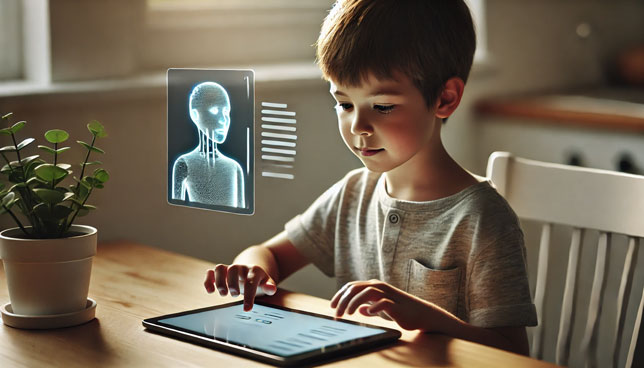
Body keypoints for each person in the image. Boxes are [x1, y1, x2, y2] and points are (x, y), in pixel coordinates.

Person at [203, 0, 537, 355]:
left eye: (382, 106)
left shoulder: (483, 219)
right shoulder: (352, 193)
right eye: (344, 104)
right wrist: (250, 271)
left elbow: (512, 352)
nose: (358, 127)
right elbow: (268, 253)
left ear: (445, 98)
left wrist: (425, 318)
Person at [172, 81, 245, 208]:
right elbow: (176, 213)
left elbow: (242, 218)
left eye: (227, 112)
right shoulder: (184, 164)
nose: (223, 119)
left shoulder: (234, 168)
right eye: (215, 110)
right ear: (195, 115)